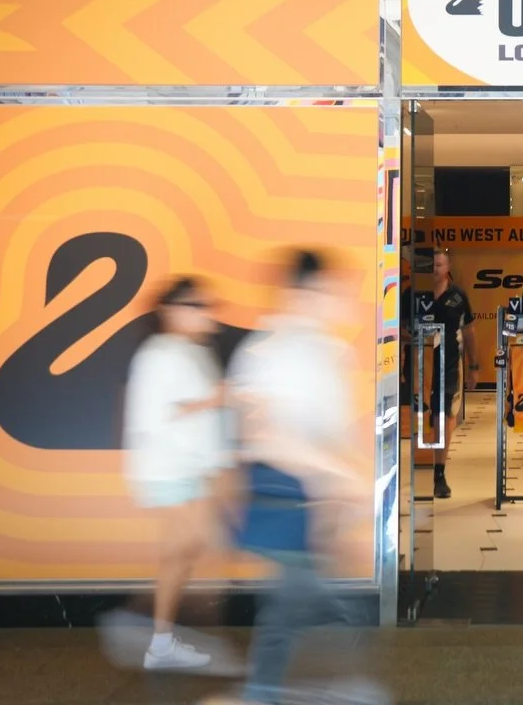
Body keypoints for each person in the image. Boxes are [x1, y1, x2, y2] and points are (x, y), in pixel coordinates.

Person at [210, 249, 387, 705]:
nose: (342, 301)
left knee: (296, 605)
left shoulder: (327, 351)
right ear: (304, 292)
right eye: (333, 291)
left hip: (314, 504)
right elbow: (263, 435)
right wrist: (337, 478)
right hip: (288, 501)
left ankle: (271, 691)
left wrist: (340, 492)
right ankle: (297, 690)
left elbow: (328, 432)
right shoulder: (268, 351)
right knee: (317, 602)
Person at [121, 276, 229, 670]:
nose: (206, 314)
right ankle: (147, 629)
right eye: (197, 306)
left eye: (206, 305)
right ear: (172, 311)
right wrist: (213, 400)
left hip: (187, 471)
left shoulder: (189, 351)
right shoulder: (160, 353)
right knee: (191, 545)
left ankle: (159, 640)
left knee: (180, 554)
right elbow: (158, 415)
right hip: (169, 470)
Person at [427, 248, 479, 499]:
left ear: (447, 267)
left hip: (448, 365)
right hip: (419, 365)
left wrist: (473, 367)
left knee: (443, 417)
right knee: (428, 417)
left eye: (439, 265)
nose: (434, 269)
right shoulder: (415, 293)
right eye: (432, 265)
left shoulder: (458, 297)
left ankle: (439, 474)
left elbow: (469, 332)